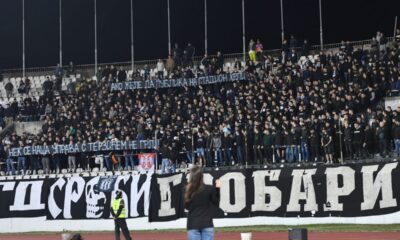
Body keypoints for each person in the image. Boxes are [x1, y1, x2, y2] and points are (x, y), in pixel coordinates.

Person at [185, 166, 220, 240]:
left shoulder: (188, 190)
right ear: (202, 176)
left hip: (193, 224)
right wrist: (217, 189)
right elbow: (216, 203)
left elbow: (187, 207)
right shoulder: (209, 188)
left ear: (191, 176)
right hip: (207, 223)